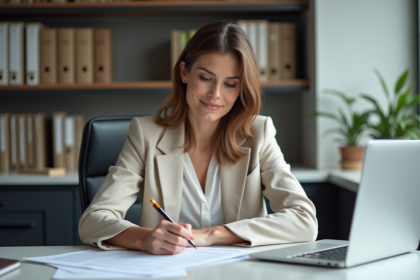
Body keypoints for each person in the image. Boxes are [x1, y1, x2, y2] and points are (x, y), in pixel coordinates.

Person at [79, 20, 317, 255]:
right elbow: (92, 221)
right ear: (184, 71)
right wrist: (145, 238)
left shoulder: (259, 133)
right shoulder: (146, 134)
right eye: (205, 78)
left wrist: (211, 235)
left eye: (230, 84)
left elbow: (304, 221)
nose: (215, 94)